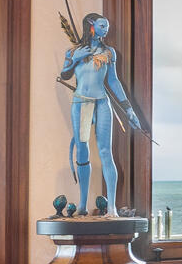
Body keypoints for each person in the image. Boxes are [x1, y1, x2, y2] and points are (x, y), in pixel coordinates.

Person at [58, 13, 149, 216]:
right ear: (91, 25)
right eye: (102, 25)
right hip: (81, 102)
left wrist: (128, 109)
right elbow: (64, 75)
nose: (105, 29)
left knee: (106, 152)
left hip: (102, 102)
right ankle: (82, 204)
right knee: (82, 151)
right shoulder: (74, 51)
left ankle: (111, 207)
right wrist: (74, 60)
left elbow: (114, 81)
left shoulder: (109, 53)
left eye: (106, 26)